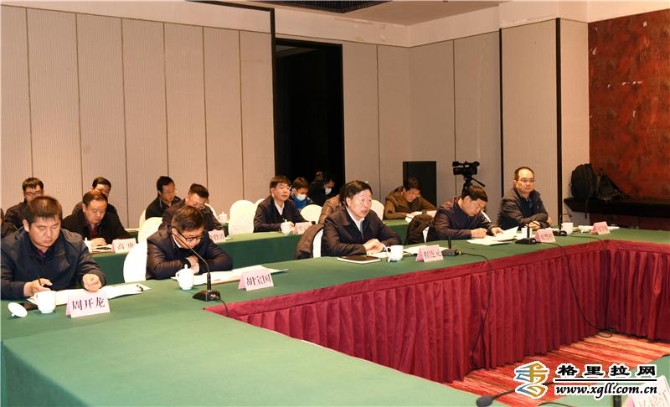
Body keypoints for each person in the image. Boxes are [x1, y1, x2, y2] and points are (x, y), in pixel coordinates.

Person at [1, 196, 105, 300]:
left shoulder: (74, 243)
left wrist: (93, 277)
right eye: (42, 228)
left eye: (54, 226)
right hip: (23, 306)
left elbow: (91, 268)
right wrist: (27, 288)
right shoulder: (8, 247)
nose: (49, 234)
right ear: (26, 225)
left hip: (65, 306)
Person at [146, 206, 232, 280]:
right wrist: (187, 261)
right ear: (175, 232)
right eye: (190, 238)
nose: (195, 242)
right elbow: (157, 270)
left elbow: (225, 260)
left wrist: (199, 267)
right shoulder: (158, 241)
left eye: (199, 236)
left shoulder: (203, 237)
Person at [322, 180, 401, 256]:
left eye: (369, 200)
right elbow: (333, 248)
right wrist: (364, 247)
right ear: (349, 201)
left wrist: (382, 246)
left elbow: (395, 238)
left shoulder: (372, 216)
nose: (366, 205)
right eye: (362, 200)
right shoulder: (334, 220)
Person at [426, 185, 503, 241]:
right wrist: (471, 233)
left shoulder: (476, 213)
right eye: (478, 206)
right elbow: (443, 233)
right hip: (439, 250)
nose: (479, 210)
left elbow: (485, 224)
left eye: (481, 208)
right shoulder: (446, 210)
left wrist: (492, 228)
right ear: (467, 199)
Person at [62, 190, 131, 247]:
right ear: (84, 208)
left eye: (102, 211)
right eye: (94, 211)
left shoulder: (111, 219)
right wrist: (88, 244)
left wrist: (118, 242)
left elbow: (127, 239)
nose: (98, 215)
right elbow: (63, 246)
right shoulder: (69, 223)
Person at [496, 166, 553, 231]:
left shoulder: (535, 195)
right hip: (510, 235)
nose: (528, 184)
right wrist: (542, 218)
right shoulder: (509, 199)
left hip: (529, 234)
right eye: (524, 181)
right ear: (515, 183)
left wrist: (540, 225)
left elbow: (545, 217)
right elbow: (520, 223)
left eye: (531, 180)